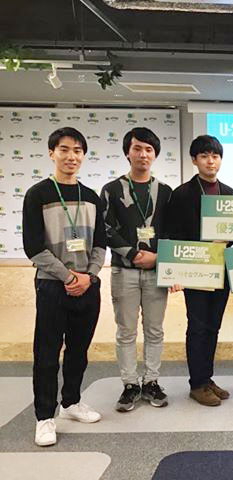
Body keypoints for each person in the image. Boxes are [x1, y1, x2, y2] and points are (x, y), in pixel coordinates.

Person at [23, 127, 106, 446]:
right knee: (46, 353)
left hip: (88, 286)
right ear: (52, 153)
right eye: (64, 149)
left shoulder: (91, 196)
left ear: (83, 155)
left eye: (77, 151)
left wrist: (89, 276)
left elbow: (100, 244)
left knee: (78, 350)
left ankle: (71, 402)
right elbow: (33, 247)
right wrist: (68, 277)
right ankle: (45, 416)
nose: (71, 156)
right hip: (53, 286)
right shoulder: (38, 194)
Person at [100, 127, 173, 412]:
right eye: (137, 148)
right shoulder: (112, 190)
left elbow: (171, 231)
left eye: (149, 149)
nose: (143, 154)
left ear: (155, 155)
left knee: (154, 330)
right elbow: (105, 228)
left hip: (156, 271)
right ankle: (130, 384)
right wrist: (132, 254)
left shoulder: (165, 192)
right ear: (127, 153)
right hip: (124, 272)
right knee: (126, 331)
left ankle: (151, 381)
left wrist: (158, 258)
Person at [165, 135, 233, 407]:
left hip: (221, 270)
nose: (210, 161)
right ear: (194, 160)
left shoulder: (228, 192)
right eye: (204, 156)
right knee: (197, 326)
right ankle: (197, 384)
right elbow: (173, 235)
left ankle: (207, 378)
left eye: (215, 156)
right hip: (194, 270)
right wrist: (176, 274)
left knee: (213, 326)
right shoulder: (182, 194)